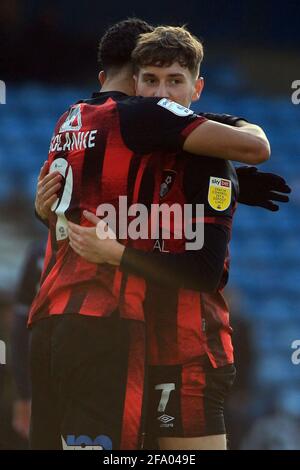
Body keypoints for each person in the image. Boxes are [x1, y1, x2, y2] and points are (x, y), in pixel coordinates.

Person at [30, 18, 271, 450]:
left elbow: (204, 271)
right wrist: (44, 210)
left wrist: (118, 254)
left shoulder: (76, 119)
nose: (161, 94)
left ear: (196, 88)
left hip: (187, 350)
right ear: (135, 84)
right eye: (151, 80)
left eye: (175, 81)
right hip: (127, 338)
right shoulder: (135, 136)